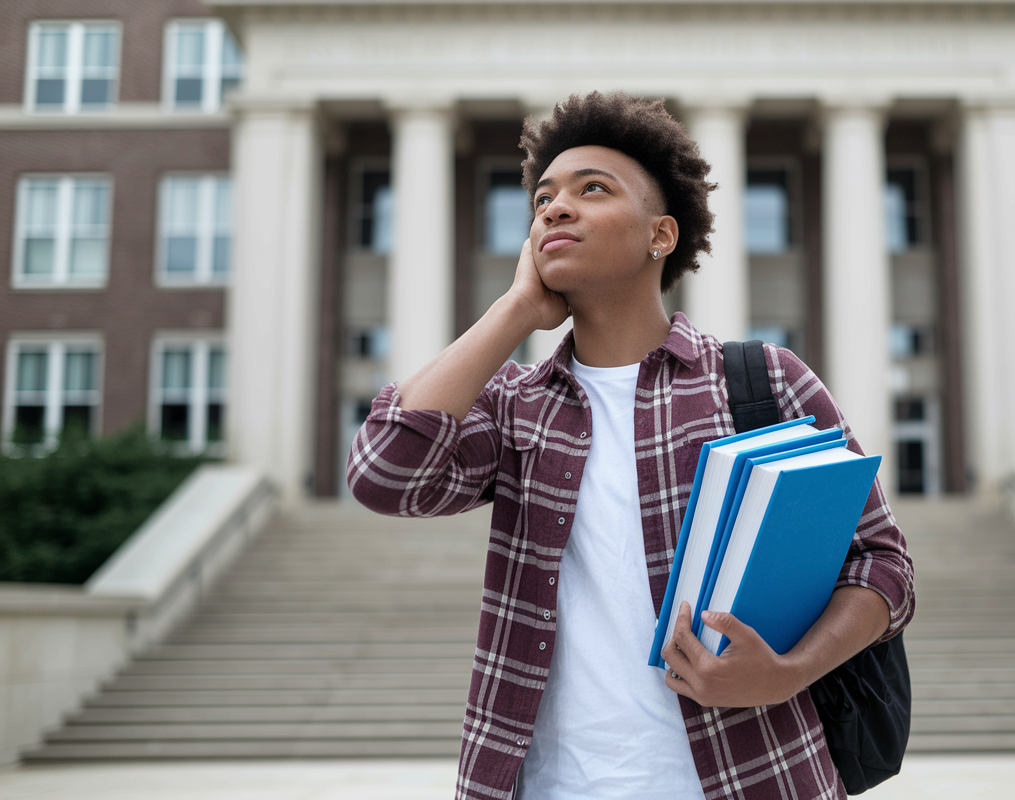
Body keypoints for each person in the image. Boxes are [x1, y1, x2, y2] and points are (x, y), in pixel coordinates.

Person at [347, 91, 915, 800]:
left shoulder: (761, 381)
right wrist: (517, 308)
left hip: (754, 777)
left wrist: (789, 671)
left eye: (593, 189)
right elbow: (381, 472)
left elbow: (882, 564)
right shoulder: (516, 406)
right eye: (544, 198)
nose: (555, 208)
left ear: (661, 235)